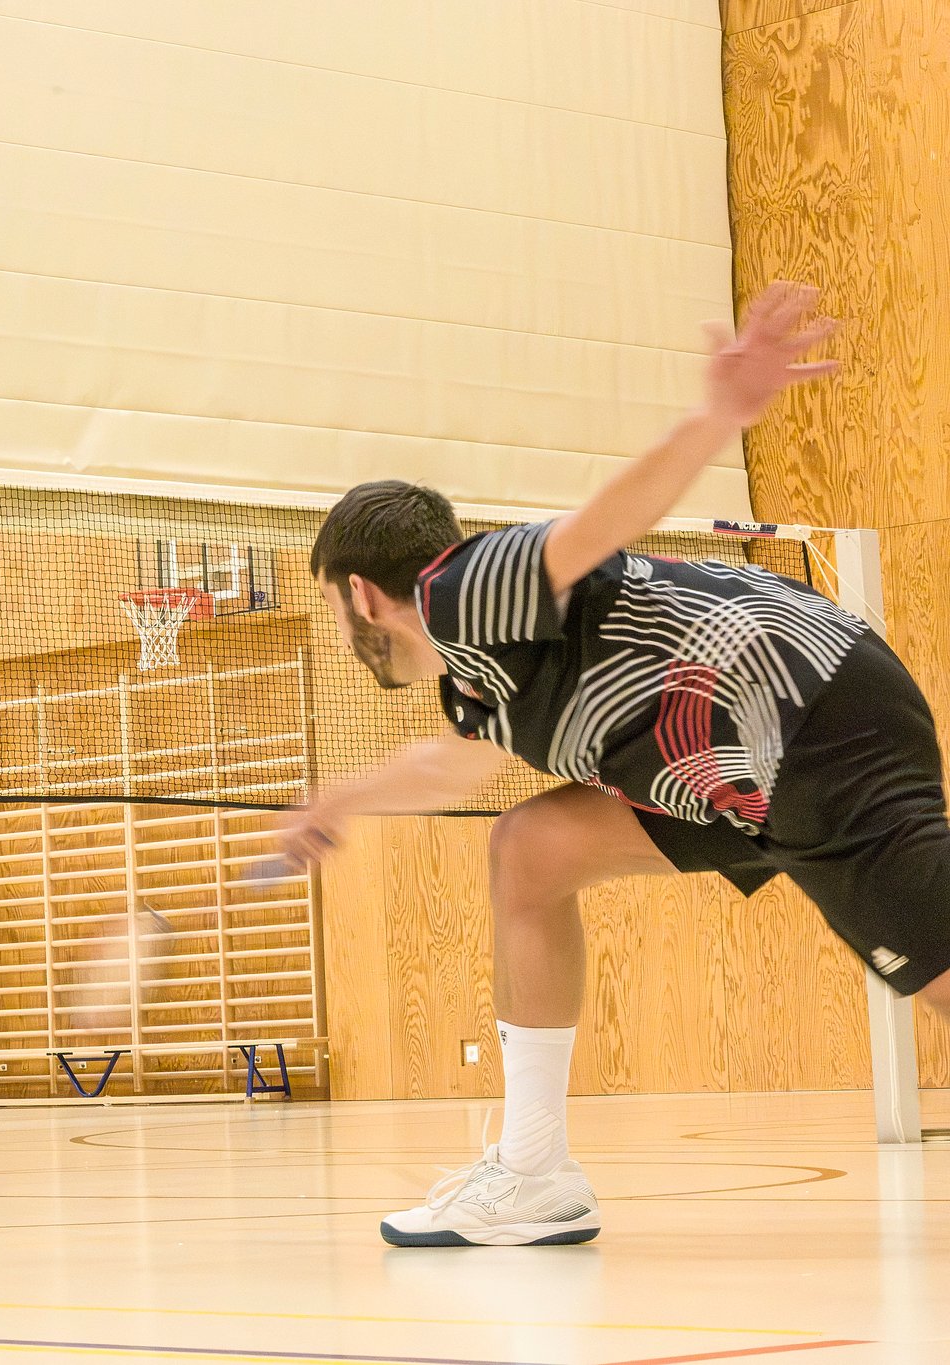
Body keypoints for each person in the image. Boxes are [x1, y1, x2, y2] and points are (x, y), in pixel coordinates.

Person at [299, 281, 950, 1246]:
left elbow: (593, 528)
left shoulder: (458, 589)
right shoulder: (482, 677)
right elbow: (449, 770)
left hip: (804, 716)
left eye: (334, 610)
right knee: (532, 848)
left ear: (361, 594)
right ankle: (534, 1172)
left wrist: (716, 418)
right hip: (734, 769)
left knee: (940, 977)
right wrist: (338, 801)